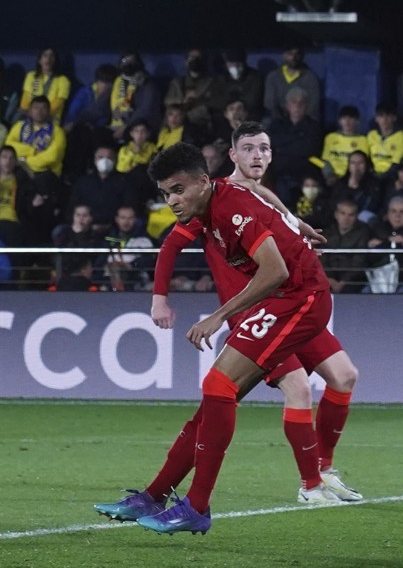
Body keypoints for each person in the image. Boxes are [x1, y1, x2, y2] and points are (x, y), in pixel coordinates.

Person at [95, 140, 359, 534]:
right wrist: (289, 220)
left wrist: (219, 316)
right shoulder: (208, 203)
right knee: (214, 402)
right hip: (279, 301)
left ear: (203, 182)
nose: (172, 201)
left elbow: (276, 271)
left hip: (299, 298)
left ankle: (200, 505)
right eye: (166, 193)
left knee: (222, 384)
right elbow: (251, 195)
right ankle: (155, 495)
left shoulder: (230, 208)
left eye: (179, 190)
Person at [267, 87, 322, 200]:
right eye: (294, 102)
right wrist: (297, 139)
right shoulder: (276, 125)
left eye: (301, 103)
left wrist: (283, 147)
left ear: (307, 106)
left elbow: (309, 149)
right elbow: (272, 144)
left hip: (303, 174)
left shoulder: (314, 126)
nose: (297, 106)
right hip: (278, 174)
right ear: (287, 105)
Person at [366, 194, 403, 293]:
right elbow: (371, 257)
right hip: (379, 280)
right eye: (393, 211)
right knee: (364, 295)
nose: (397, 215)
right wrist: (390, 242)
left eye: (402, 212)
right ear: (387, 214)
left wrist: (382, 244)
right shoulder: (378, 228)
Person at [109, 52, 162, 144]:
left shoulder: (147, 84)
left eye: (132, 61)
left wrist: (126, 127)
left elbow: (145, 109)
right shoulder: (118, 82)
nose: (128, 64)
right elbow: (99, 107)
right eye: (125, 61)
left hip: (139, 127)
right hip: (117, 123)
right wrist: (77, 119)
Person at [323, 198, 370, 294]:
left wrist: (343, 282)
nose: (346, 218)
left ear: (356, 217)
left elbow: (359, 261)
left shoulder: (363, 233)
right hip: (327, 278)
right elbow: (321, 258)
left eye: (351, 215)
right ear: (336, 215)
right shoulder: (327, 233)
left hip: (352, 282)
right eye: (343, 213)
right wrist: (330, 279)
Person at [164, 49, 216, 134]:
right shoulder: (177, 82)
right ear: (186, 61)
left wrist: (195, 102)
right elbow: (168, 101)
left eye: (198, 58)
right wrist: (183, 101)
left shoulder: (211, 82)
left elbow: (210, 106)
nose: (195, 60)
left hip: (199, 127)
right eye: (192, 57)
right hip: (175, 126)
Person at [264, 46, 322, 122]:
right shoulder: (273, 76)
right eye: (290, 54)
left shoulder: (311, 78)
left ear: (302, 56)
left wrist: (297, 119)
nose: (293, 57)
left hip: (302, 120)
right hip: (278, 120)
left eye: (297, 54)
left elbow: (313, 106)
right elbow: (269, 104)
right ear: (284, 55)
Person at [18, 46, 71, 123]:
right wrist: (28, 114)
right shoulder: (31, 76)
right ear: (40, 60)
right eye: (45, 55)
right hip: (29, 118)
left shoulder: (63, 80)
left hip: (50, 120)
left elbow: (58, 104)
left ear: (55, 60)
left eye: (51, 56)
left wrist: (39, 115)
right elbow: (25, 101)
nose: (48, 59)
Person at [211, 48, 264, 120]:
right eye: (231, 63)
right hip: (225, 115)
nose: (235, 66)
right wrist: (230, 107)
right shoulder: (220, 78)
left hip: (248, 114)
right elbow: (215, 100)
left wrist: (240, 106)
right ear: (226, 64)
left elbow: (254, 100)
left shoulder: (255, 77)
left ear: (244, 63)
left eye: (238, 63)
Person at [330, 150, 381, 224]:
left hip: (362, 219)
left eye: (360, 163)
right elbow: (334, 203)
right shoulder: (341, 182)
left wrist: (358, 187)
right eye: (353, 163)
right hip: (342, 217)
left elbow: (373, 205)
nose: (356, 167)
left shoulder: (374, 183)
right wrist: (350, 189)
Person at [321, 105, 369, 182]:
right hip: (333, 178)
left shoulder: (363, 140)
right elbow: (325, 160)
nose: (347, 121)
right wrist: (329, 175)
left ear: (357, 121)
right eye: (344, 118)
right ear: (339, 121)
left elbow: (362, 164)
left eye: (351, 118)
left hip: (354, 178)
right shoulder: (331, 137)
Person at [366, 103, 403, 180]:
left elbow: (396, 164)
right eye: (381, 116)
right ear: (376, 119)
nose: (384, 119)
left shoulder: (401, 136)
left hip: (394, 176)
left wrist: (381, 178)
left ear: (394, 118)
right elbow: (366, 158)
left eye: (388, 116)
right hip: (374, 175)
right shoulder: (371, 135)